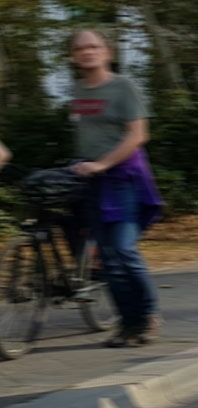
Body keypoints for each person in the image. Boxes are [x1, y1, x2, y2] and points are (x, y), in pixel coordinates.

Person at [67, 29, 163, 348]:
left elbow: (137, 136)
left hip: (124, 179)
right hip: (91, 181)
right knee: (106, 258)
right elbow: (86, 135)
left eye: (94, 46)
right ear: (73, 55)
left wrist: (102, 164)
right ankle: (127, 322)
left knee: (124, 249)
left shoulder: (123, 87)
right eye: (81, 48)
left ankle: (147, 316)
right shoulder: (77, 90)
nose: (88, 52)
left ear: (107, 52)